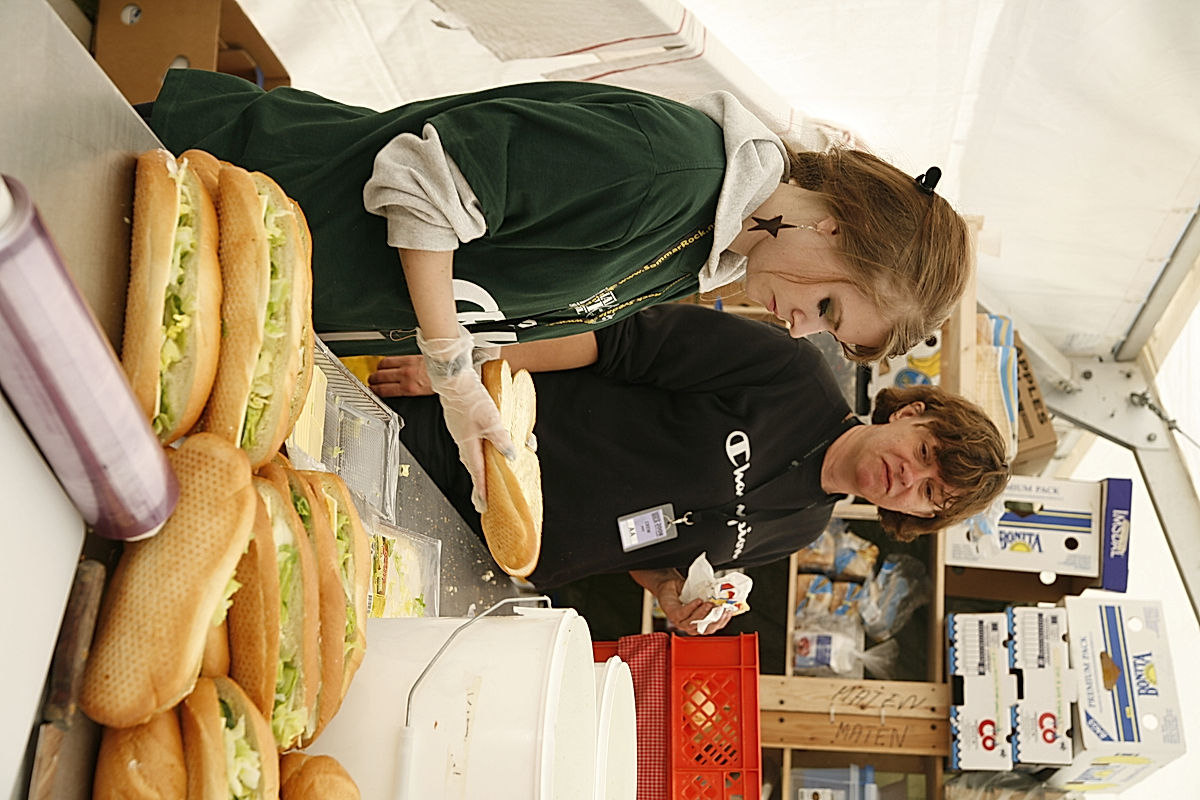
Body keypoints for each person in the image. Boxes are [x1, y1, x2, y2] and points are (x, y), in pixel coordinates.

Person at [145, 69, 971, 513]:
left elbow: (508, 281)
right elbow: (421, 179)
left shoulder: (697, 260)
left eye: (826, 333)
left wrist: (474, 369)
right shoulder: (668, 168)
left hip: (237, 286)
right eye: (828, 307)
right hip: (193, 192)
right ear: (836, 230)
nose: (799, 329)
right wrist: (448, 364)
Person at [373, 304, 1010, 634]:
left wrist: (668, 592)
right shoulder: (793, 376)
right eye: (925, 453)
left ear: (917, 516)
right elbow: (617, 340)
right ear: (913, 413)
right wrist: (462, 375)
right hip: (447, 446)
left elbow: (654, 540)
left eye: (928, 494)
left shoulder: (803, 529)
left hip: (485, 558)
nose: (907, 477)